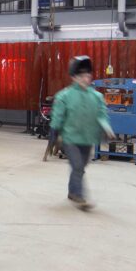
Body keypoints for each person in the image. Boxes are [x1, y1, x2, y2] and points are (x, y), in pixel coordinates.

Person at [50, 56, 116, 210]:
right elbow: (57, 117)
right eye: (81, 76)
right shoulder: (64, 96)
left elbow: (101, 115)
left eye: (88, 75)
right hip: (70, 138)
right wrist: (55, 135)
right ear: (74, 77)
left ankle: (72, 191)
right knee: (78, 166)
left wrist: (107, 128)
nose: (86, 79)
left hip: (88, 138)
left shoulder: (97, 97)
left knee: (80, 167)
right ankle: (79, 196)